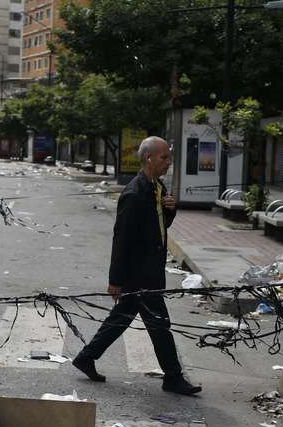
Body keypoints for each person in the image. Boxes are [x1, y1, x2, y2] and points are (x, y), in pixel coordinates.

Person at [72, 136, 202, 396]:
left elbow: (160, 228)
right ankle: (173, 377)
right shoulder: (134, 194)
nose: (168, 162)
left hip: (149, 271)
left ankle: (86, 357)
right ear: (149, 158)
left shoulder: (157, 188)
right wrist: (115, 280)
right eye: (164, 157)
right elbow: (121, 239)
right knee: (159, 324)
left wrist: (170, 210)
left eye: (169, 157)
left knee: (121, 319)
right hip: (139, 274)